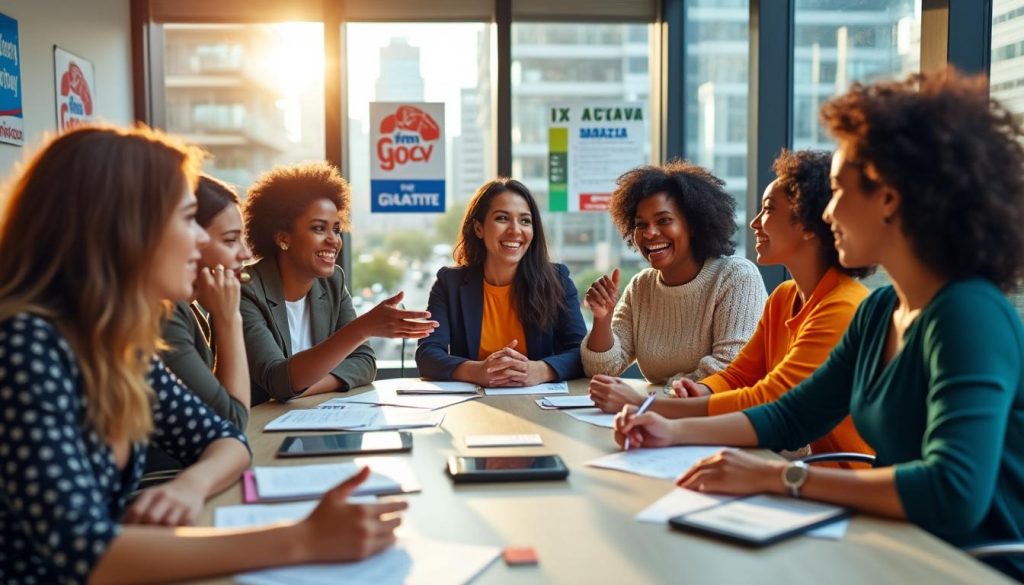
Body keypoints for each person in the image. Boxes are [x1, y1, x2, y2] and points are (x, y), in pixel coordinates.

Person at [614, 70, 1024, 580]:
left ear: (889, 197)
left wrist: (778, 478)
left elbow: (953, 491)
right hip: (891, 546)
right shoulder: (881, 311)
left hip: (965, 567)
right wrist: (670, 429)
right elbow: (791, 415)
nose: (826, 214)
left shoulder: (968, 315)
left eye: (837, 191)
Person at [0, 125, 406, 584]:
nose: (199, 240)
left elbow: (226, 438)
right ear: (122, 228)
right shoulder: (23, 347)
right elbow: (86, 554)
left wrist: (192, 485)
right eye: (186, 219)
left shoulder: (118, 344)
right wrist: (302, 539)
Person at [642, 150, 873, 459]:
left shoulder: (843, 306)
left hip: (844, 474)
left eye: (768, 209)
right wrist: (703, 391)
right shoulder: (784, 297)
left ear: (807, 224)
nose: (754, 223)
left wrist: (649, 407)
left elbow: (771, 398)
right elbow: (739, 376)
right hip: (807, 465)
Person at [241, 162, 437, 403]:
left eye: (336, 229)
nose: (333, 240)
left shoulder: (333, 281)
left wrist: (301, 390)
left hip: (311, 415)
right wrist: (362, 328)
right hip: (259, 423)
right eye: (318, 228)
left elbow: (364, 363)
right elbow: (278, 380)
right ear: (283, 238)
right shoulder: (246, 291)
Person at [583, 161, 767, 412]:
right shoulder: (641, 286)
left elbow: (729, 370)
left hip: (720, 420)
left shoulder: (735, 277)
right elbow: (602, 369)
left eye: (664, 220)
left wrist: (646, 400)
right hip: (663, 417)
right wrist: (602, 318)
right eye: (641, 225)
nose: (649, 233)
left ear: (693, 225)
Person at [416, 178, 586, 386]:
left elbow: (581, 352)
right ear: (478, 228)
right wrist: (477, 371)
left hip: (540, 401)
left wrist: (539, 371)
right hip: (475, 402)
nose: (515, 230)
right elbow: (428, 354)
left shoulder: (557, 280)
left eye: (525, 221)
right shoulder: (449, 283)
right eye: (502, 218)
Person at [160, 174, 252, 431]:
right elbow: (231, 422)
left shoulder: (190, 309)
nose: (246, 253)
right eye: (230, 240)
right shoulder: (165, 314)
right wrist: (229, 319)